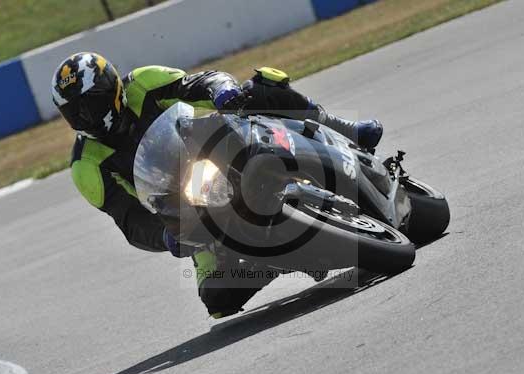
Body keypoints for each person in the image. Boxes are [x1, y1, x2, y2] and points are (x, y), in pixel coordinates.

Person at [51, 52, 383, 318]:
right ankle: (275, 259)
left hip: (221, 142)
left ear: (112, 89)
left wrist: (221, 89)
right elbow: (130, 220)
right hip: (190, 205)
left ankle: (348, 129)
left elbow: (201, 81)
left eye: (90, 104)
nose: (86, 117)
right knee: (217, 297)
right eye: (74, 113)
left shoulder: (145, 82)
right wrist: (166, 236)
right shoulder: (87, 166)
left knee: (260, 87)